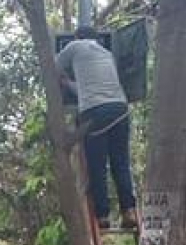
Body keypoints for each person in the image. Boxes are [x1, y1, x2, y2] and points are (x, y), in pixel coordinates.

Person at [56, 26, 137, 230]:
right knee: (120, 163)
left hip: (94, 112)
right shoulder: (107, 53)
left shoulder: (74, 46)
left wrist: (62, 79)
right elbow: (86, 87)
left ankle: (102, 216)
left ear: (78, 37)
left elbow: (53, 64)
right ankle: (129, 211)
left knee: (97, 166)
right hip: (120, 108)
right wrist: (69, 83)